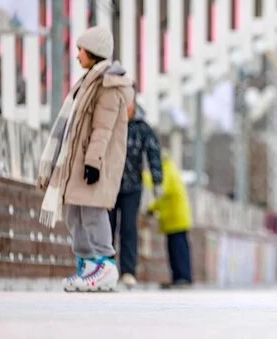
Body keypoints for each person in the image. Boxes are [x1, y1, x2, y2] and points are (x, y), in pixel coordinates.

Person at [36, 25, 134, 292]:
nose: (77, 55)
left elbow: (103, 129)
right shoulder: (87, 83)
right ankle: (89, 264)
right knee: (74, 214)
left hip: (91, 163)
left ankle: (106, 263)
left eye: (81, 50)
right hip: (76, 163)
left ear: (93, 53)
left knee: (92, 212)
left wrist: (93, 162)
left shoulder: (108, 85)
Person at [109, 98, 163, 288]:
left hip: (133, 187)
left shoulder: (142, 128)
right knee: (108, 226)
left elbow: (153, 152)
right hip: (110, 184)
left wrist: (157, 180)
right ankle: (107, 267)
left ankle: (128, 271)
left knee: (128, 228)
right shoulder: (111, 123)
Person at [143, 153, 193, 289]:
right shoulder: (169, 168)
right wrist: (152, 208)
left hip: (176, 219)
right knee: (174, 250)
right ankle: (178, 278)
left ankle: (183, 277)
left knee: (179, 250)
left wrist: (142, 175)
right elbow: (162, 198)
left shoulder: (167, 169)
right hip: (174, 220)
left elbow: (161, 187)